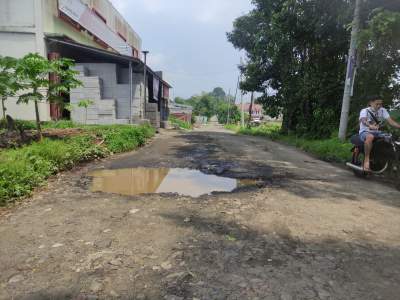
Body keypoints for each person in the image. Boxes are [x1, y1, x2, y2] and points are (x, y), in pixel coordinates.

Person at [359, 95, 400, 171]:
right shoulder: (365, 111)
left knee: (391, 138)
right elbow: (363, 121)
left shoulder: (382, 110)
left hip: (378, 133)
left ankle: (390, 161)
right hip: (365, 132)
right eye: (377, 104)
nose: (379, 106)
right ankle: (366, 159)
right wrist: (370, 125)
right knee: (370, 136)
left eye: (380, 104)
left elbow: (391, 122)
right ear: (371, 103)